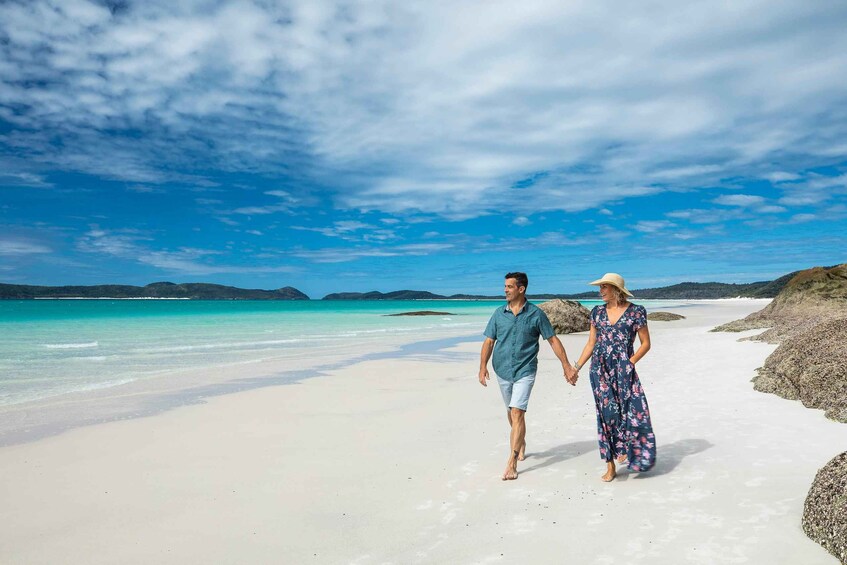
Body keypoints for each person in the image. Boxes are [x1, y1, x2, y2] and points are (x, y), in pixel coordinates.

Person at [479, 272, 578, 481]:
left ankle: (512, 462)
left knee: (517, 412)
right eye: (505, 286)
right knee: (511, 412)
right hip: (503, 370)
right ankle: (520, 441)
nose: (505, 290)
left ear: (521, 289)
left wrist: (566, 366)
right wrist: (482, 367)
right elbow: (489, 342)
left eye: (509, 287)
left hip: (525, 370)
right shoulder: (498, 314)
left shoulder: (536, 314)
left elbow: (552, 340)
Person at [572, 273, 656, 482]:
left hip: (624, 370)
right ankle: (610, 464)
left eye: (604, 287)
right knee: (607, 414)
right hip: (599, 370)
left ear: (615, 289)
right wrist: (576, 367)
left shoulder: (636, 312)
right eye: (600, 287)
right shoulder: (597, 313)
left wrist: (631, 361)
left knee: (633, 410)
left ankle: (629, 449)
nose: (600, 291)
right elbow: (591, 344)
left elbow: (646, 343)